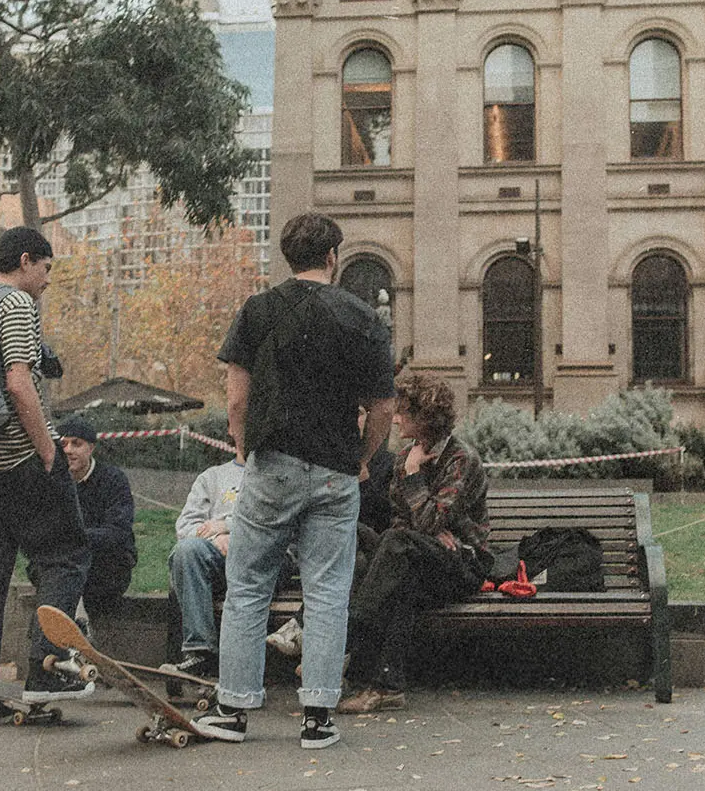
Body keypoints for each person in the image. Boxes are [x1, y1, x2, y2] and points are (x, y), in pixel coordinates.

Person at [193, 212, 396, 750]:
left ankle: (233, 711)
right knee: (328, 592)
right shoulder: (362, 318)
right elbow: (382, 407)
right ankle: (318, 718)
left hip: (273, 463)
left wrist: (242, 445)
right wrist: (362, 458)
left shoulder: (258, 311)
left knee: (248, 586)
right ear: (333, 257)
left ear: (288, 255)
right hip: (334, 469)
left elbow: (237, 397)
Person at [0, 227, 93, 728]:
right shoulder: (16, 305)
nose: (47, 280)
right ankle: (46, 673)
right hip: (22, 460)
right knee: (66, 555)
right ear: (26, 261)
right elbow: (18, 379)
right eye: (46, 268)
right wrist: (48, 451)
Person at [338, 373, 492, 714]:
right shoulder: (405, 454)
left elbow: (421, 522)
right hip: (424, 556)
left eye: (403, 412)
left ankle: (344, 640)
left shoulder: (460, 459)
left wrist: (413, 476)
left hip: (463, 564)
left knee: (397, 548)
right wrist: (427, 530)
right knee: (366, 539)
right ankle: (387, 688)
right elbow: (404, 519)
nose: (394, 418)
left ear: (425, 417)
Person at [264, 409, 395, 659]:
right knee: (353, 561)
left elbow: (385, 521)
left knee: (348, 537)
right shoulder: (325, 460)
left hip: (375, 548)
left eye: (358, 413)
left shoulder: (387, 463)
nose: (352, 419)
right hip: (342, 556)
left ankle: (300, 630)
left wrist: (364, 482)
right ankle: (333, 659)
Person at [166, 448, 248, 678]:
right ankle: (201, 653)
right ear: (232, 429)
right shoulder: (212, 477)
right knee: (186, 550)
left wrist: (231, 529)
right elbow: (185, 527)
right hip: (217, 559)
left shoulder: (278, 475)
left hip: (263, 560)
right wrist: (216, 538)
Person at [52, 416, 136, 617]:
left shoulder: (113, 479)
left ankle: (73, 629)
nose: (68, 450)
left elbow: (118, 532)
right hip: (62, 564)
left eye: (76, 444)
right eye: (63, 444)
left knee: (64, 577)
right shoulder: (51, 481)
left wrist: (74, 537)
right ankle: (72, 630)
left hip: (105, 566)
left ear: (91, 448)